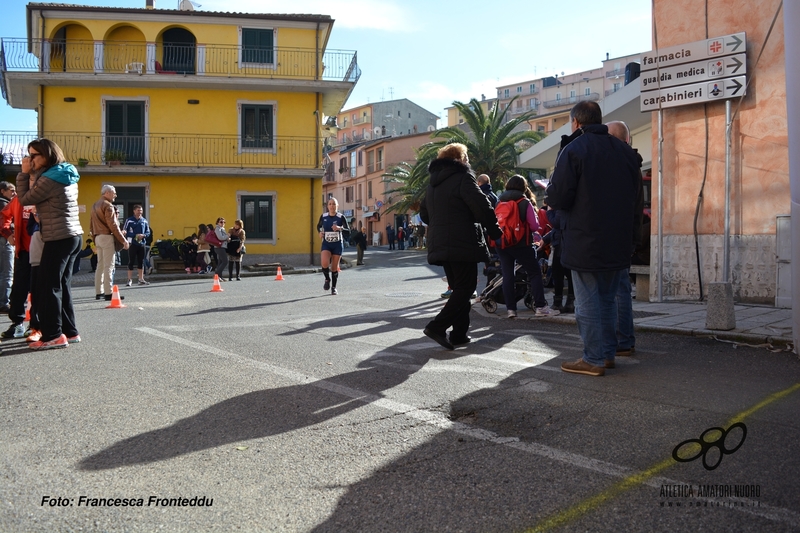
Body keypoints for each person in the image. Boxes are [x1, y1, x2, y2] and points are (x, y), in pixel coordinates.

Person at [546, 102, 642, 376]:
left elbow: (559, 197)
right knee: (608, 300)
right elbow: (635, 201)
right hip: (619, 240)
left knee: (587, 301)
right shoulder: (626, 153)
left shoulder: (574, 150)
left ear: (576, 122)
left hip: (585, 238)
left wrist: (550, 195)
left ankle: (593, 359)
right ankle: (607, 354)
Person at [420, 143, 501, 350]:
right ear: (459, 159)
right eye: (466, 158)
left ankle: (459, 334)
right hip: (462, 241)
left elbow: (424, 215)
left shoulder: (432, 184)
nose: (468, 162)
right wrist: (495, 232)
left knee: (460, 288)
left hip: (440, 243)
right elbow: (482, 207)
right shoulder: (463, 178)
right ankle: (437, 326)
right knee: (466, 288)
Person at [16, 138, 84, 349]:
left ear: (47, 155)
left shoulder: (48, 179)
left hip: (58, 238)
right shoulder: (64, 173)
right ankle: (70, 332)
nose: (30, 159)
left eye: (34, 155)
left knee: (48, 287)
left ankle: (53, 335)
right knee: (61, 285)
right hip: (72, 236)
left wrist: (23, 173)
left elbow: (25, 199)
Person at [606, 120, 645, 361]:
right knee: (621, 289)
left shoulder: (618, 163)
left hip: (615, 235)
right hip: (626, 234)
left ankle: (620, 340)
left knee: (616, 291)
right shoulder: (633, 163)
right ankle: (625, 340)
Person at [495, 175, 559, 319]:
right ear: (523, 187)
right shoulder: (524, 202)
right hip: (521, 243)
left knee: (507, 274)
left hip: (503, 243)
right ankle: (541, 306)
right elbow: (535, 226)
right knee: (534, 273)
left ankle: (511, 309)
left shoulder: (499, 202)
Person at [0, 189, 34, 338]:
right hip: (23, 251)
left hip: (42, 251)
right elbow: (4, 216)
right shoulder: (18, 200)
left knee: (40, 290)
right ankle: (17, 324)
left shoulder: (45, 196)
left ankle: (36, 325)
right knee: (19, 289)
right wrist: (8, 234)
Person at [90, 185, 129, 301]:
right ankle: (108, 292)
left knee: (100, 265)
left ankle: (99, 292)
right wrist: (123, 240)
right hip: (107, 237)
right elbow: (113, 226)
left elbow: (91, 225)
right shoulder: (108, 206)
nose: (115, 195)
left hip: (97, 237)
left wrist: (94, 239)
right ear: (107, 193)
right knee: (109, 266)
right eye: (114, 193)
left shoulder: (94, 205)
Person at [316, 197, 349, 294]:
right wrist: (320, 232)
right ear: (327, 206)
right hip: (326, 243)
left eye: (334, 204)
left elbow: (348, 231)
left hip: (337, 244)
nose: (332, 206)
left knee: (334, 267)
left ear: (337, 206)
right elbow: (318, 226)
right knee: (324, 263)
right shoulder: (323, 216)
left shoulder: (341, 217)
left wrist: (340, 228)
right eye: (330, 204)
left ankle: (334, 288)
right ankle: (327, 279)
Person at [122, 204, 151, 286]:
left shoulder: (144, 221)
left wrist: (144, 235)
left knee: (141, 262)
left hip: (142, 244)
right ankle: (129, 280)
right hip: (132, 244)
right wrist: (135, 235)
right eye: (138, 210)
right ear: (134, 211)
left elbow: (148, 232)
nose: (140, 212)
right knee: (131, 261)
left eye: (141, 210)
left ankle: (141, 279)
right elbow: (125, 231)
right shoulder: (129, 220)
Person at [0, 182, 16, 313]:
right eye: (11, 190)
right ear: (2, 191)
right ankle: (4, 303)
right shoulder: (4, 204)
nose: (14, 193)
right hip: (5, 240)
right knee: (7, 274)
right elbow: (4, 224)